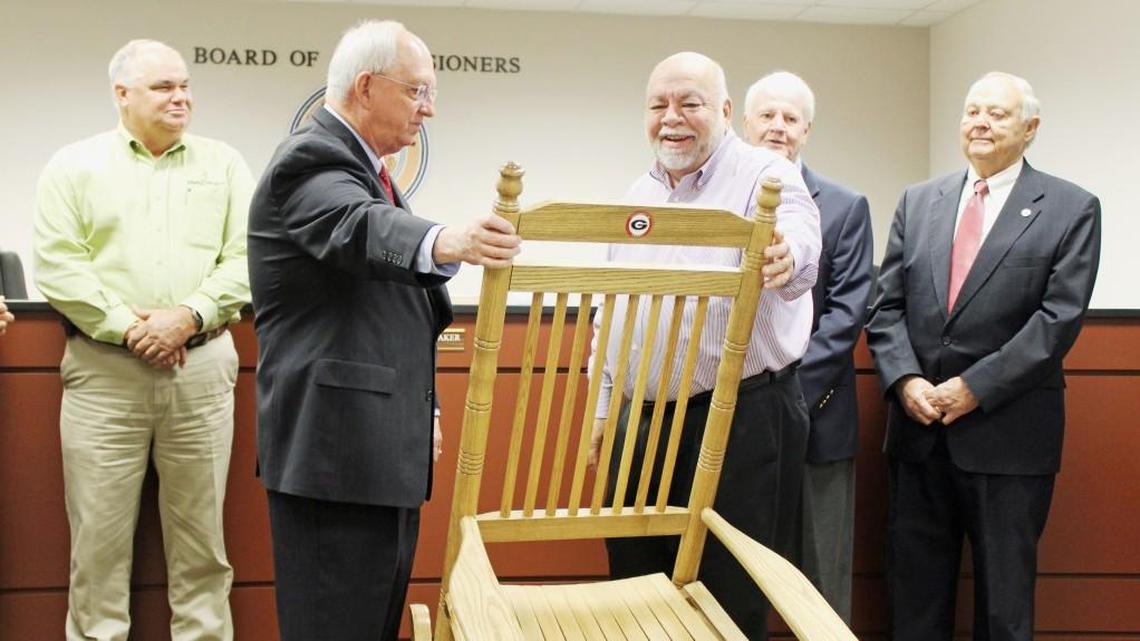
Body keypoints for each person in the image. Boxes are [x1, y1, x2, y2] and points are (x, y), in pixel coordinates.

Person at [247, 19, 520, 641]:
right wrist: (448, 238)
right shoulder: (311, 159)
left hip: (374, 450)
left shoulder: (369, 167)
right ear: (367, 87)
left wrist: (421, 412)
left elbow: (384, 306)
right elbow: (358, 228)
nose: (430, 109)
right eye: (418, 91)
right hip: (335, 455)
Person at [587, 51, 821, 639]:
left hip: (743, 419)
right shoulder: (637, 192)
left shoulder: (768, 174)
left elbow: (798, 241)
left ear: (723, 110)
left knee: (728, 599)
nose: (672, 117)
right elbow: (609, 313)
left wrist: (786, 256)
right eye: (658, 104)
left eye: (689, 103)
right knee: (636, 593)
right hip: (639, 424)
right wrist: (602, 406)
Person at [866, 71, 1101, 641]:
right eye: (972, 110)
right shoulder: (919, 201)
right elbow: (885, 307)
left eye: (997, 113)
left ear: (1030, 128)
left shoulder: (1071, 208)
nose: (980, 122)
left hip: (1008, 436)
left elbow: (1057, 321)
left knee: (1003, 607)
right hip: (920, 435)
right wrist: (905, 381)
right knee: (915, 602)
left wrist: (974, 386)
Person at [33, 39, 252, 641]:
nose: (180, 97)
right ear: (121, 94)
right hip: (104, 377)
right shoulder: (73, 167)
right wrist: (134, 329)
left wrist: (188, 316)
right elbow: (58, 266)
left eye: (184, 85)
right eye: (163, 87)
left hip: (201, 373)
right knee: (98, 553)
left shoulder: (225, 164)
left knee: (203, 550)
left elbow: (247, 259)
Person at [742, 70, 873, 623]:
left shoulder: (844, 206)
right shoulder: (719, 200)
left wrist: (789, 391)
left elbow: (846, 314)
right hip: (738, 418)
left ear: (807, 130)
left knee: (821, 584)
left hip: (819, 417)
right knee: (738, 572)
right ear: (744, 123)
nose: (778, 127)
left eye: (790, 118)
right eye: (767, 116)